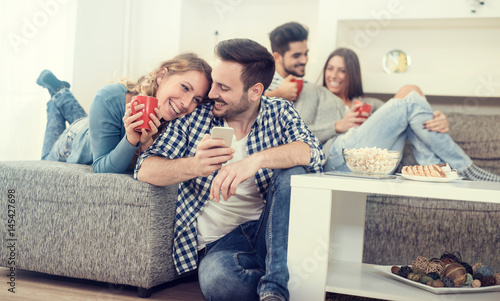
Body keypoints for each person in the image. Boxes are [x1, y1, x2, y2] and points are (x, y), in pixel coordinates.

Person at [135, 38, 324, 301]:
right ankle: (279, 279)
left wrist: (254, 161)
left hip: (269, 231)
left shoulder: (279, 112)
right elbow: (145, 169)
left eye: (223, 87)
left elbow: (313, 152)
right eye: (214, 83)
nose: (212, 94)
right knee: (219, 282)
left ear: (255, 91)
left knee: (293, 173)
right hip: (221, 245)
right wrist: (196, 165)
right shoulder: (196, 116)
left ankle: (274, 289)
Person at [320, 47, 500, 182]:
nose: (334, 75)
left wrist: (440, 121)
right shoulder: (316, 94)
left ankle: (434, 168)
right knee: (410, 91)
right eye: (330, 68)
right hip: (337, 158)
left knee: (411, 99)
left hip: (374, 165)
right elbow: (299, 134)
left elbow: (409, 114)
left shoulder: (370, 104)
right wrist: (336, 126)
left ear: (352, 74)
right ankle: (462, 167)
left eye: (342, 70)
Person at [37, 53, 212, 173]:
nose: (187, 104)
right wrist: (131, 139)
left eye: (196, 99)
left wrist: (146, 146)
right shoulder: (109, 98)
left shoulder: (181, 122)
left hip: (94, 125)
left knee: (89, 121)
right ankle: (59, 93)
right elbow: (102, 169)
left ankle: (59, 92)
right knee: (43, 164)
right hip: (75, 140)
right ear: (161, 75)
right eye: (185, 87)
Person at [265, 21, 308, 101]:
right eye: (296, 56)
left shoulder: (307, 86)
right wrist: (278, 94)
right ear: (277, 57)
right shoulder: (262, 85)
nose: (304, 60)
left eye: (305, 54)